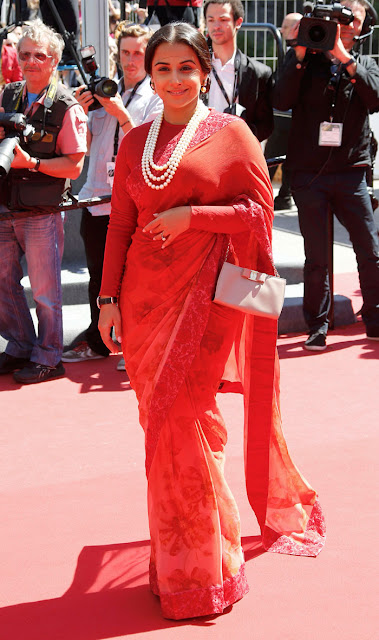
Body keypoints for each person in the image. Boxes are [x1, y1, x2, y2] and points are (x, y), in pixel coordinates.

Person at [97, 22, 325, 620]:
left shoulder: (234, 134)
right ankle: (177, 562)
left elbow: (259, 213)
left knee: (188, 413)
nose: (174, 80)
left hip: (210, 297)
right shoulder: (133, 140)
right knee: (161, 424)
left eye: (186, 68)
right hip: (144, 301)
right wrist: (107, 299)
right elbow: (120, 224)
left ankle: (208, 565)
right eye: (163, 68)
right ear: (150, 73)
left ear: (204, 70)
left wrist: (192, 217)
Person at [273, 0, 379, 350]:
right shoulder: (306, 61)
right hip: (309, 173)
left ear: (363, 28)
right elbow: (282, 98)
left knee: (370, 249)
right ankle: (317, 326)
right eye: (338, 20)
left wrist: (344, 58)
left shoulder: (364, 64)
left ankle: (375, 318)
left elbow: (375, 98)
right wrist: (301, 53)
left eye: (353, 21)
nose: (345, 26)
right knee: (316, 256)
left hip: (351, 173)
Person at [62, 23, 162, 367]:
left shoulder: (155, 97)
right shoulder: (106, 89)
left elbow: (149, 149)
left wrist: (120, 113)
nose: (131, 60)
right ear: (116, 56)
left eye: (138, 53)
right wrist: (77, 112)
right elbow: (85, 146)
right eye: (125, 53)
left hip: (132, 204)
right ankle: (100, 340)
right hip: (95, 198)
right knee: (98, 277)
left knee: (133, 280)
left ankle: (133, 342)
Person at [0, 19, 87, 383]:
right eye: (24, 54)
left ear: (54, 61)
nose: (30, 61)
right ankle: (20, 345)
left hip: (42, 211)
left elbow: (74, 166)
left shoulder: (68, 105)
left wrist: (31, 163)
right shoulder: (8, 94)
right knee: (2, 281)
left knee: (46, 291)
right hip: (5, 206)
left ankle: (50, 356)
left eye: (40, 55)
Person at [204, 0, 274, 142]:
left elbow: (265, 125)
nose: (216, 26)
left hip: (237, 151)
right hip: (198, 149)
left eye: (223, 20)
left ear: (238, 22)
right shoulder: (195, 67)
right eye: (211, 20)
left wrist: (240, 140)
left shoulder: (258, 73)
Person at [264, 12, 303, 210]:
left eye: (286, 26)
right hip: (288, 113)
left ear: (297, 29)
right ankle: (282, 196)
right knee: (286, 156)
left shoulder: (299, 52)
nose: (280, 30)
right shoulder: (292, 51)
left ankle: (267, 194)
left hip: (288, 115)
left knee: (273, 155)